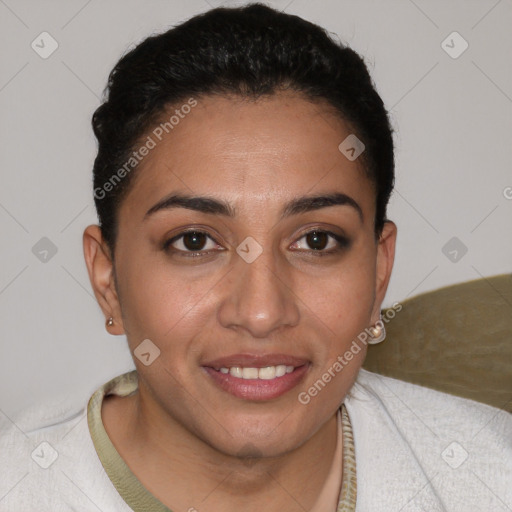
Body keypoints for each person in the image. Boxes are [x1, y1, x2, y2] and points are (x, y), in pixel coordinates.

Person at [1, 3, 510, 511]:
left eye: (316, 241)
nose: (262, 313)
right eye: (195, 241)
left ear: (379, 274)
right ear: (107, 279)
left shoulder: (489, 474)